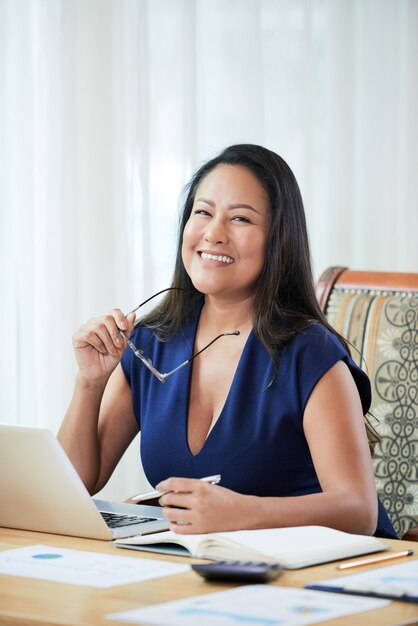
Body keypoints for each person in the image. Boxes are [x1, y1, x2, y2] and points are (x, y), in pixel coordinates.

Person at [58, 143, 397, 539]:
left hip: (326, 576)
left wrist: (239, 511)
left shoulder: (311, 353)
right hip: (211, 573)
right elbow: (78, 482)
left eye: (240, 219)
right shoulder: (150, 343)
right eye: (202, 212)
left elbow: (358, 511)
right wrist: (89, 383)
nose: (214, 233)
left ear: (277, 241)